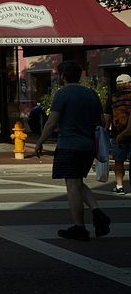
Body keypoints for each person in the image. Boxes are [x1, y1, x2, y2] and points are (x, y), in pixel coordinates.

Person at [34, 61, 111, 240]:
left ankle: (80, 227)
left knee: (72, 186)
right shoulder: (92, 94)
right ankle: (98, 213)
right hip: (88, 146)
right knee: (79, 182)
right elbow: (102, 122)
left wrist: (39, 142)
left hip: (69, 145)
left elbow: (52, 122)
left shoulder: (62, 94)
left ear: (62, 76)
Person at [104, 73, 131, 195]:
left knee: (118, 161)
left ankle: (119, 186)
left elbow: (107, 118)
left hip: (117, 134)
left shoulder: (112, 97)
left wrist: (105, 130)